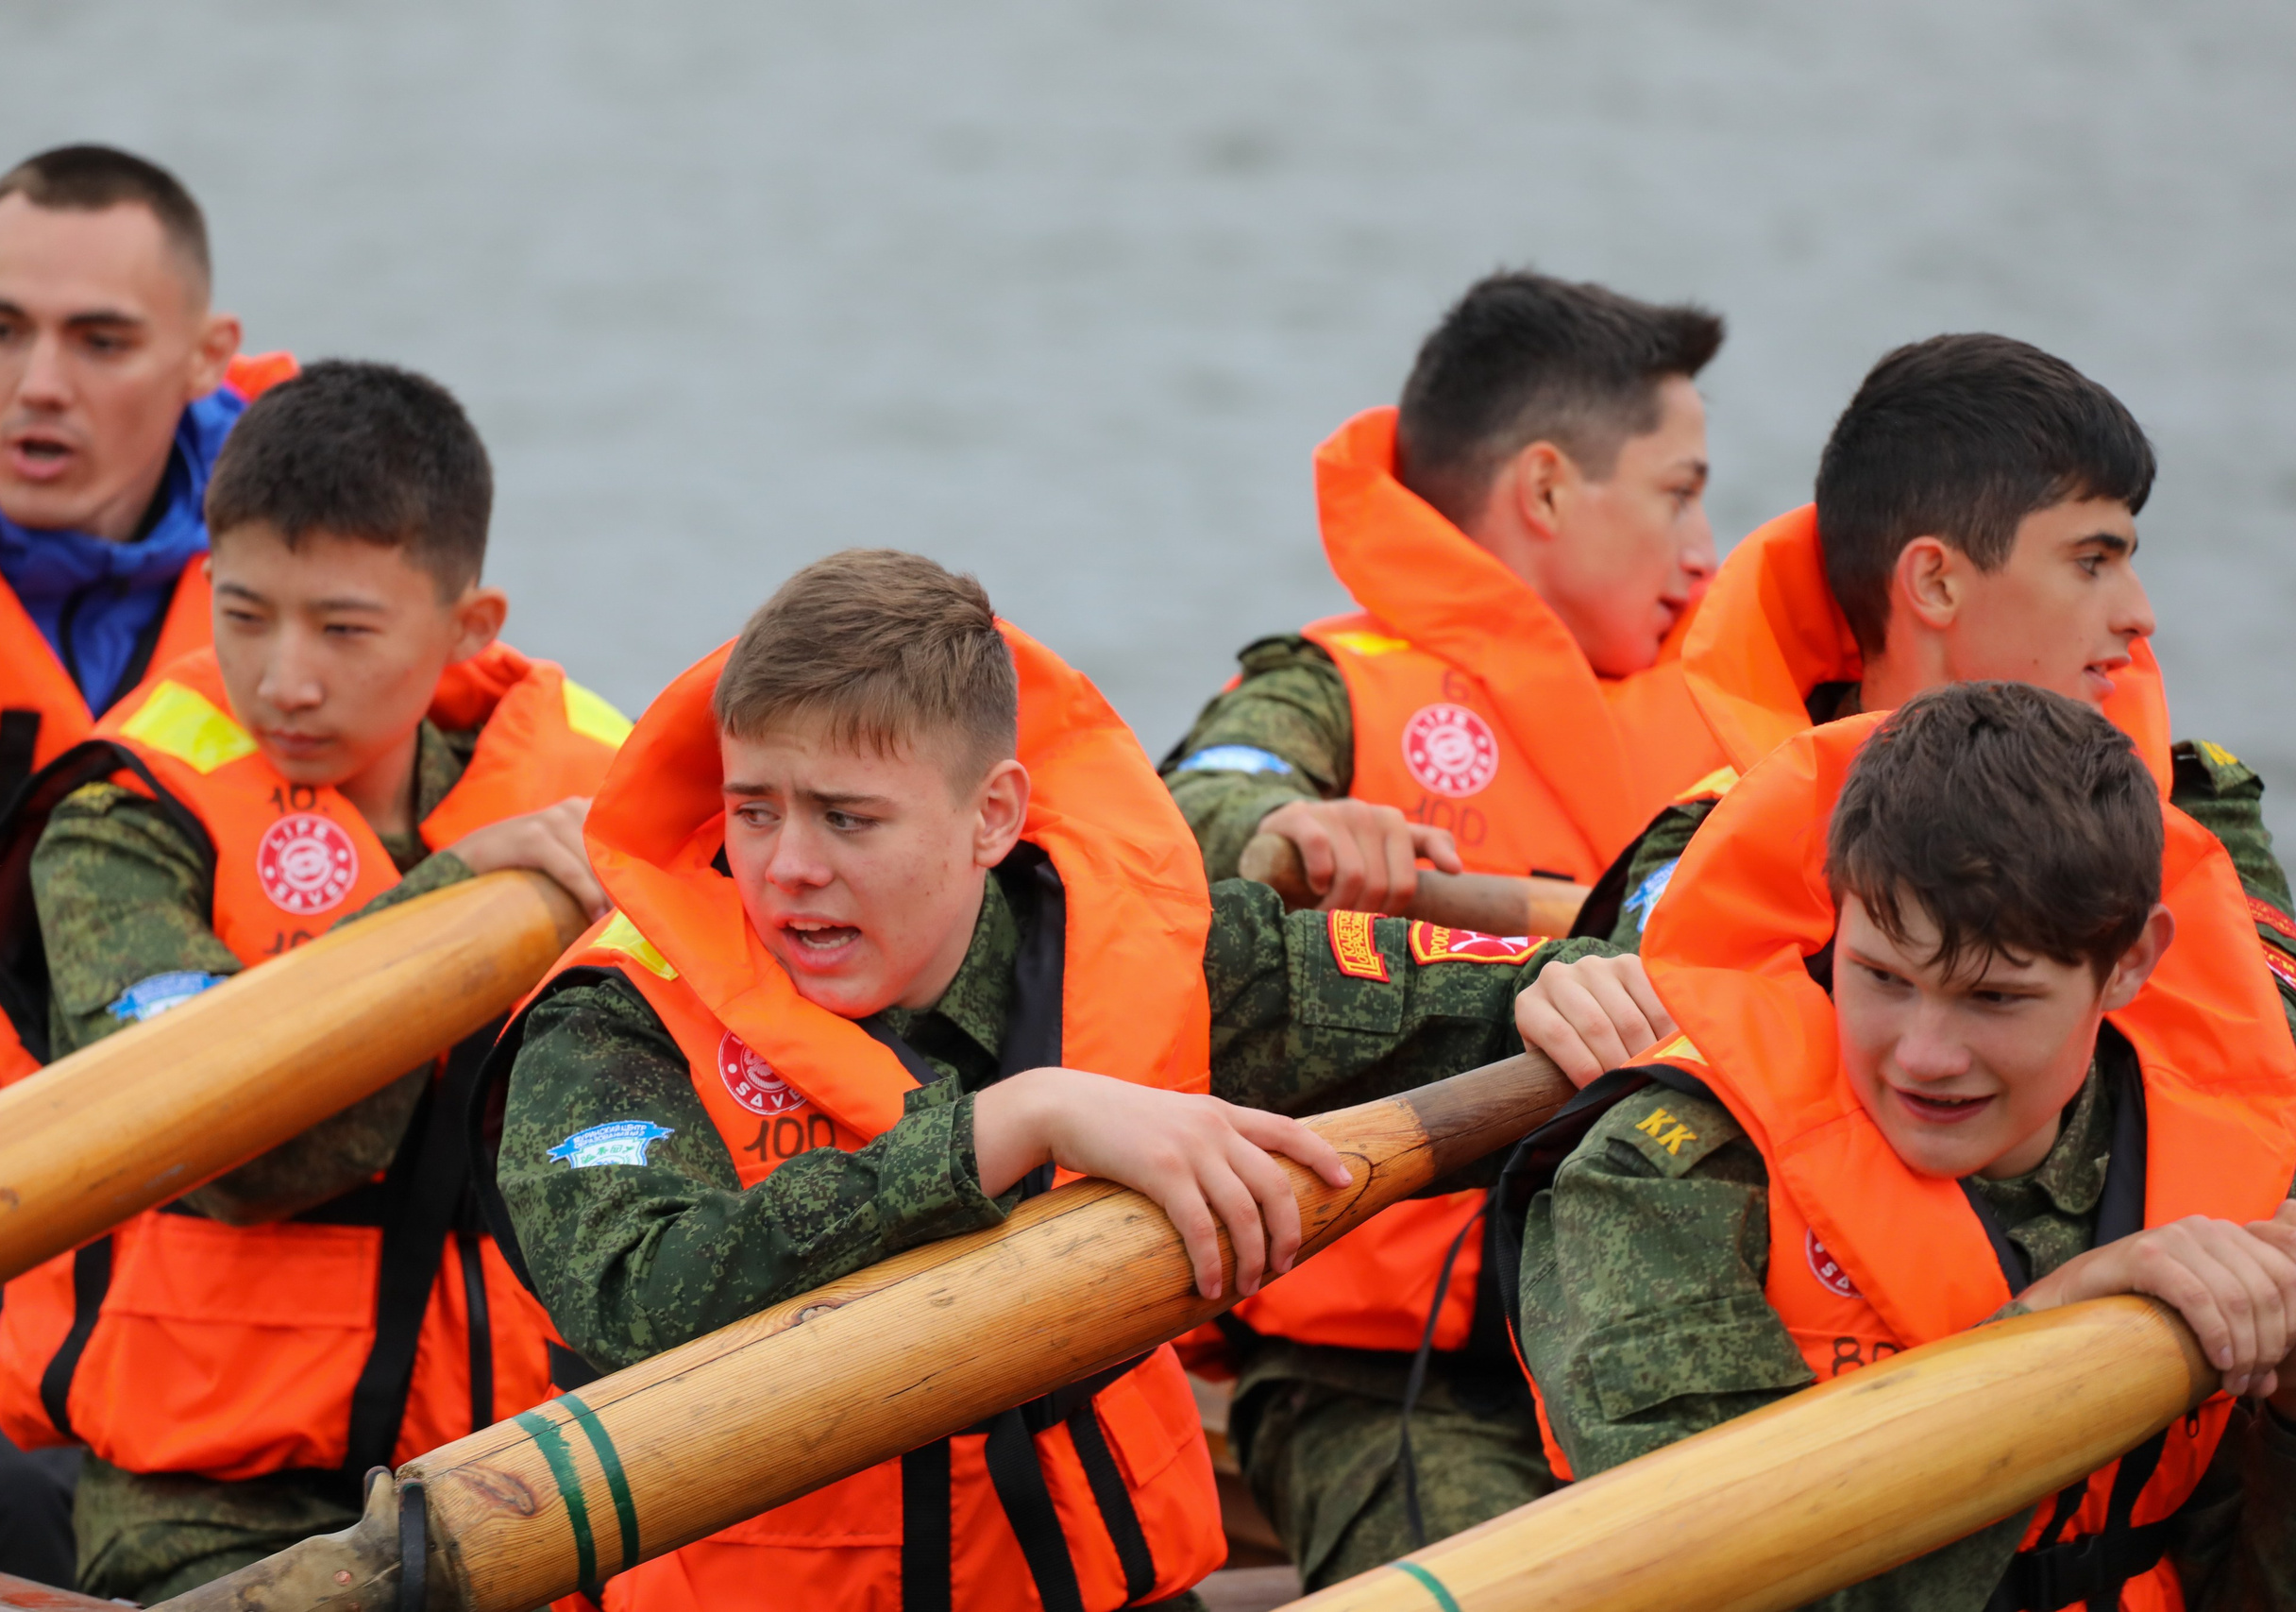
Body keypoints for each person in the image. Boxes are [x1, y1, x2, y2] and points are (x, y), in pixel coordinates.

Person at [474, 548, 1662, 1612]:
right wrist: (1013, 1122)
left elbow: (1464, 995)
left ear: (992, 816)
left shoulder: (1139, 946)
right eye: (753, 811)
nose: (787, 867)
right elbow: (637, 1302)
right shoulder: (614, 1020)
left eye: (847, 819)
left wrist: (1562, 989)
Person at [0, 361, 632, 1602]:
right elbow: (220, 1146)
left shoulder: (597, 808)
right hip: (202, 1504)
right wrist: (454, 901)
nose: (283, 678)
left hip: (511, 1477)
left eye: (343, 628)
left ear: (470, 627)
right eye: (244, 614)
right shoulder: (123, 822)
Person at [1155, 271, 1729, 1587]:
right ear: (1546, 491)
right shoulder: (1327, 686)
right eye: (1679, 492)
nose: (1705, 550)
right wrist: (1284, 833)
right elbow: (1200, 803)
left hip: (1679, 1324)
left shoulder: (1737, 707)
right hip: (1394, 1377)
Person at [1503, 682, 2296, 1610]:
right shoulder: (1658, 1185)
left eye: (1993, 997)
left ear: (2130, 961)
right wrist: (2042, 1338)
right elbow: (1709, 1578)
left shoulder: (2227, 1155)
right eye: (1881, 977)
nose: (1923, 1056)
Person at [0, 144, 293, 1586]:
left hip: (198, 1217)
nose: (37, 383)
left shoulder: (322, 568)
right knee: (13, 1498)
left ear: (206, 357)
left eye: (100, 341)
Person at [1577, 335, 2295, 1020]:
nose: (2141, 616)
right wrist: (1549, 980)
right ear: (1935, 583)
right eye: (2091, 563)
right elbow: (1644, 1029)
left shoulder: (2202, 817)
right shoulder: (1715, 841)